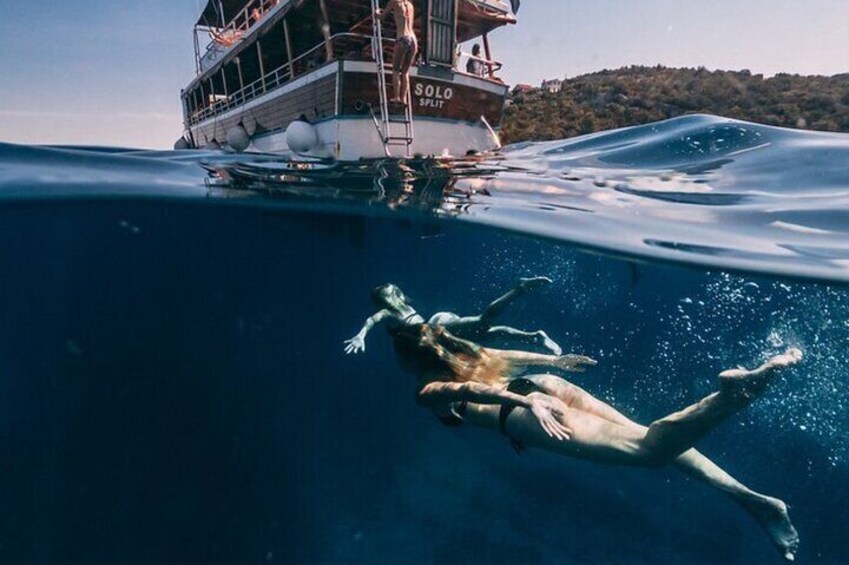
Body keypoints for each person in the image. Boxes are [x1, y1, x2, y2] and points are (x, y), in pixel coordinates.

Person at [348, 287, 803, 561]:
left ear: (407, 362)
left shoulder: (424, 391)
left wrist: (528, 408)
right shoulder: (465, 353)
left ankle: (733, 394)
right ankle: (758, 502)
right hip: (540, 386)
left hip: (532, 413)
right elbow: (502, 359)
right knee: (652, 439)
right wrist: (555, 362)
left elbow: (468, 394)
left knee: (649, 451)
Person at [344, 278, 563, 355]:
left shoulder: (388, 312)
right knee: (489, 333)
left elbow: (372, 320)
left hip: (438, 326)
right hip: (440, 330)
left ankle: (520, 288)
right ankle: (534, 337)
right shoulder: (397, 310)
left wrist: (361, 335)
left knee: (483, 322)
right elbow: (374, 319)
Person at [380, 0, 418, 104]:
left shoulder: (393, 2)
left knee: (396, 70)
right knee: (405, 72)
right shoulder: (410, 6)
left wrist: (376, 13)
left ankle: (397, 97)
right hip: (413, 40)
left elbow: (382, 17)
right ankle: (404, 99)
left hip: (402, 38)